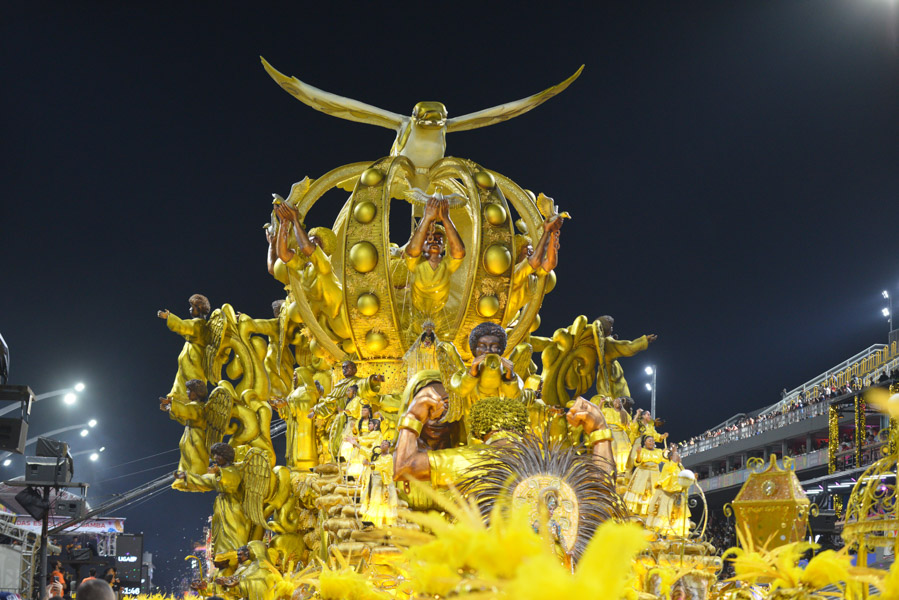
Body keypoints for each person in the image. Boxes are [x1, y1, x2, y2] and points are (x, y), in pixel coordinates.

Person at [273, 202, 351, 346]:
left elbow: (306, 247)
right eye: (309, 238)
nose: (308, 241)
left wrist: (295, 220)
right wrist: (284, 223)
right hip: (334, 325)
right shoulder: (303, 269)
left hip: (346, 315)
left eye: (314, 241)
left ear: (321, 248)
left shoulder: (324, 265)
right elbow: (283, 255)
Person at [403, 195, 466, 318]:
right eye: (429, 239)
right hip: (415, 313)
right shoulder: (416, 263)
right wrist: (427, 218)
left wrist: (446, 219)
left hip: (440, 313)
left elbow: (459, 251)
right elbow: (412, 250)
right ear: (422, 243)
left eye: (439, 240)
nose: (434, 241)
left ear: (444, 246)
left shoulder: (447, 265)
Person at [504, 212, 564, 325]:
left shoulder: (532, 276)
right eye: (526, 250)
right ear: (517, 253)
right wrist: (547, 231)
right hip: (493, 324)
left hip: (502, 325)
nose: (530, 252)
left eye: (532, 250)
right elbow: (536, 260)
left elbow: (550, 263)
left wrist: (553, 234)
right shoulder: (515, 273)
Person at [158, 294, 212, 402]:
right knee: (181, 380)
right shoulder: (200, 325)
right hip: (189, 363)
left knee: (192, 388)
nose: (190, 309)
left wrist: (169, 317)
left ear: (199, 308)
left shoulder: (198, 325)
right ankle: (173, 400)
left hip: (195, 364)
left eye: (192, 306)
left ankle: (184, 404)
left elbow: (183, 326)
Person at [592, 315, 657, 399]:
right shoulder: (608, 342)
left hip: (603, 378)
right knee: (621, 403)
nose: (612, 329)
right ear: (606, 328)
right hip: (613, 379)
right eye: (611, 326)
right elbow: (628, 347)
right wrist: (644, 340)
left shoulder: (600, 342)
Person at [160, 378, 211, 484]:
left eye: (189, 390)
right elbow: (184, 419)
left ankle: (195, 477)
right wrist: (170, 408)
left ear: (196, 393)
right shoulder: (193, 406)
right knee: (187, 455)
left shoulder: (198, 407)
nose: (187, 392)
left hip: (196, 437)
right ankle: (185, 474)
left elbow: (186, 411)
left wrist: (172, 405)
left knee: (195, 457)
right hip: (189, 435)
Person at [623, 435, 666, 516]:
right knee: (640, 491)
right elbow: (637, 462)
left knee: (653, 492)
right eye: (649, 441)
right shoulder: (641, 450)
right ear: (645, 442)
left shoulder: (659, 451)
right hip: (642, 473)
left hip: (655, 474)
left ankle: (650, 511)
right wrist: (639, 453)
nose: (652, 442)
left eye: (653, 441)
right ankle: (639, 511)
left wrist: (671, 453)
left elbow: (666, 459)